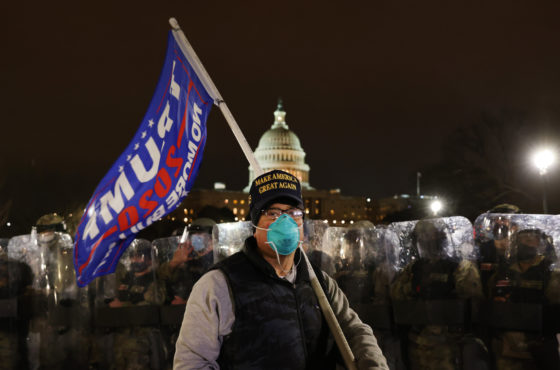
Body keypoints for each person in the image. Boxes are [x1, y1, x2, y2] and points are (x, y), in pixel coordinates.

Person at [174, 169, 388, 369]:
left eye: (294, 212)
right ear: (255, 224)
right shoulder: (219, 284)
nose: (285, 221)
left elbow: (354, 330)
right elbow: (192, 362)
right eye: (273, 213)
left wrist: (372, 362)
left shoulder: (318, 281)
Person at [390, 218, 486, 370]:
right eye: (422, 236)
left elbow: (473, 302)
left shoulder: (460, 266)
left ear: (442, 237)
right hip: (417, 340)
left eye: (431, 235)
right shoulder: (414, 268)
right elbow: (396, 295)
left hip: (449, 343)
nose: (426, 240)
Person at [488, 228, 560, 370]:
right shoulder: (504, 271)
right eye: (520, 240)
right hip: (508, 344)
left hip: (539, 344)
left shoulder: (551, 271)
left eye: (529, 239)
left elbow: (556, 308)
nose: (524, 244)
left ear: (540, 243)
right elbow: (491, 300)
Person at [108, 239, 166, 370]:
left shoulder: (154, 279)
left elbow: (154, 302)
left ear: (149, 260)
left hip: (141, 340)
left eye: (139, 257)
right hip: (121, 338)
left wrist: (122, 306)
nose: (135, 260)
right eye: (132, 256)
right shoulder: (125, 280)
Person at [158, 218, 216, 305]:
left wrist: (187, 303)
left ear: (212, 237)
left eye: (199, 233)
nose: (194, 237)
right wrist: (175, 262)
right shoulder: (188, 260)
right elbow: (159, 280)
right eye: (192, 234)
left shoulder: (218, 261)